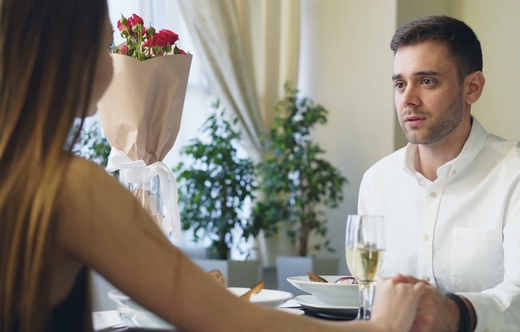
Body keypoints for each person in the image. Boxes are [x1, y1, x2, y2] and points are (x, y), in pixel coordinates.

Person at [0, 0, 427, 331]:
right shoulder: (69, 186)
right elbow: (232, 322)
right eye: (102, 41)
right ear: (65, 50)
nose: (112, 67)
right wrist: (384, 325)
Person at [358, 15, 520, 332]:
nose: (408, 99)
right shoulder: (377, 181)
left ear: (472, 88)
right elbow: (368, 290)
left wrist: (457, 313)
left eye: (427, 81)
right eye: (400, 84)